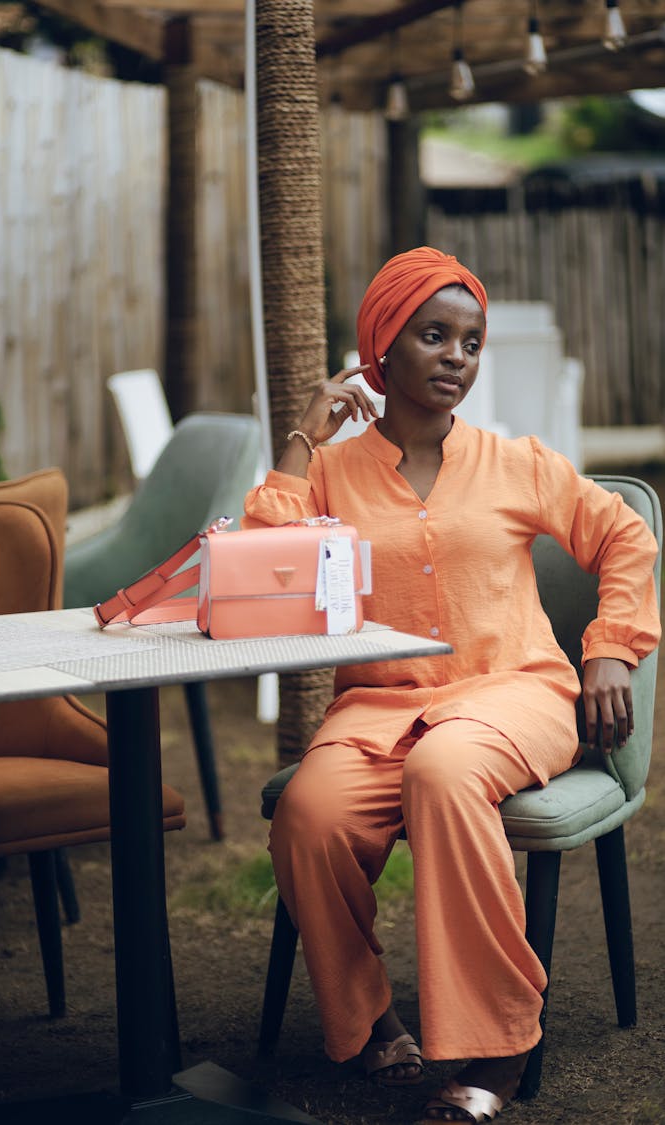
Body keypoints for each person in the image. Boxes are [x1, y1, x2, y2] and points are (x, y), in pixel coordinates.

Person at [242, 246, 661, 1122]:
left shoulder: (518, 464)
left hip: (515, 693)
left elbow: (624, 535)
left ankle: (496, 1045)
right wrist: (300, 440)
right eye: (433, 336)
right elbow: (265, 579)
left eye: (469, 343)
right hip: (379, 709)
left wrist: (611, 648)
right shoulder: (329, 473)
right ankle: (371, 1022)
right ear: (381, 350)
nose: (456, 358)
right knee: (310, 813)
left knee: (446, 769)